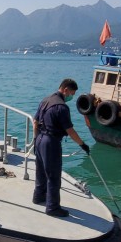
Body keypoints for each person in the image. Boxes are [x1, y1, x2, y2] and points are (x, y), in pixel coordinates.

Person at [32, 79, 91, 218]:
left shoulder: (46, 100)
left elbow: (35, 122)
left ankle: (38, 196)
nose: (71, 96)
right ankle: (52, 207)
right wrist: (82, 144)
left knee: (40, 171)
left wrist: (36, 140)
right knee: (53, 176)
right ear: (65, 90)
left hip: (40, 139)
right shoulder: (62, 107)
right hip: (51, 142)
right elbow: (70, 130)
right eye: (72, 93)